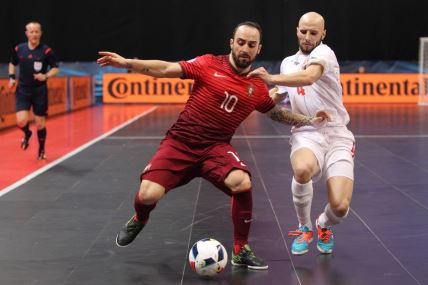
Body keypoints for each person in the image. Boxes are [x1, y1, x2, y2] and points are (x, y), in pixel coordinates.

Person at [97, 21, 328, 270]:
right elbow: (165, 69)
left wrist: (308, 120)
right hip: (180, 143)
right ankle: (140, 219)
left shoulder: (257, 86)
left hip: (215, 148)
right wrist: (128, 64)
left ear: (258, 49)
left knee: (242, 182)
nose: (245, 49)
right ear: (231, 43)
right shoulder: (208, 64)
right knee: (147, 194)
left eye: (251, 45)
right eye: (240, 42)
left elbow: (276, 114)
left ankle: (241, 249)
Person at [248, 12, 355, 255]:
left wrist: (270, 77)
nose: (307, 37)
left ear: (323, 34)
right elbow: (279, 93)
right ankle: (304, 226)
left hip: (337, 134)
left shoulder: (325, 54)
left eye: (313, 33)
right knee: (302, 168)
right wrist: (256, 97)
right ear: (297, 30)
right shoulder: (288, 63)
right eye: (303, 31)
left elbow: (309, 77)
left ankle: (323, 224)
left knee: (340, 207)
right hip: (306, 131)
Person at [8, 21, 60, 160]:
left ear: (41, 33)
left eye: (37, 31)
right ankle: (27, 133)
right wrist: (12, 78)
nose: (34, 34)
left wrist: (46, 75)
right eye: (31, 32)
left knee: (40, 123)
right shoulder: (19, 49)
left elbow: (56, 67)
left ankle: (41, 150)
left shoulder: (46, 51)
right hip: (23, 90)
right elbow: (12, 63)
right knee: (21, 121)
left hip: (39, 91)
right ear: (27, 34)